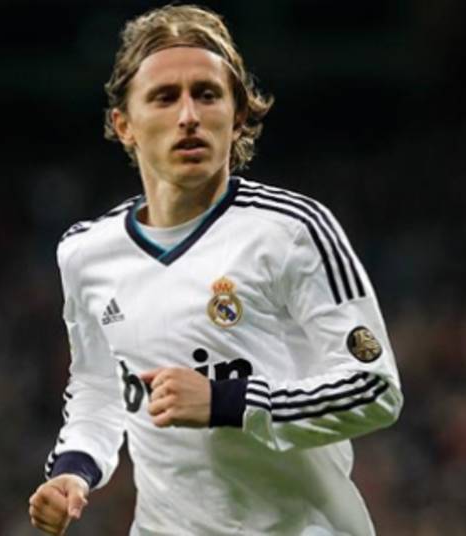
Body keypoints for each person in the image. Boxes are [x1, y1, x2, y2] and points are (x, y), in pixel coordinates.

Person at [27, 5, 404, 535]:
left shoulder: (291, 231)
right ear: (124, 124)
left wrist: (228, 401)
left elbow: (375, 389)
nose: (188, 116)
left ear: (239, 115)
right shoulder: (86, 253)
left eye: (206, 94)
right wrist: (73, 470)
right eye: (164, 97)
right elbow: (100, 389)